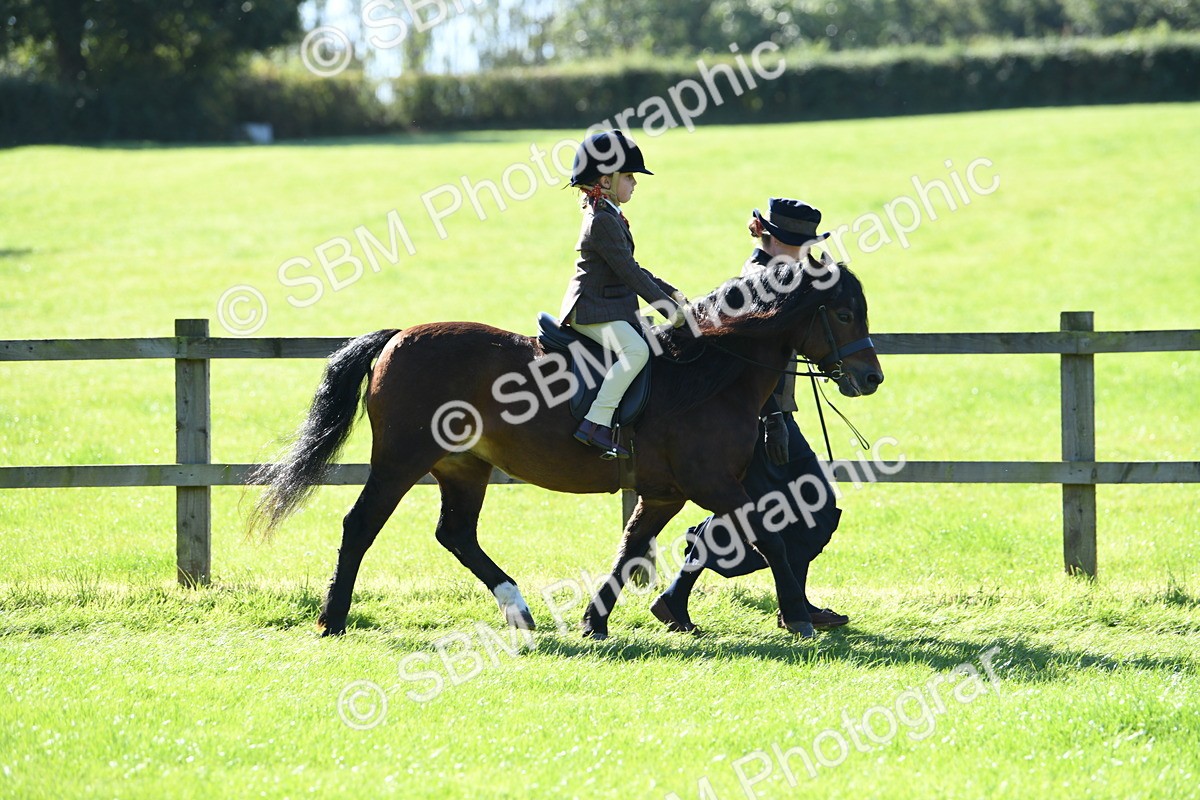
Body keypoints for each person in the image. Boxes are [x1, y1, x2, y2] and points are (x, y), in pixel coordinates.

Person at [650, 198, 850, 632]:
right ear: (770, 238)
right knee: (758, 512)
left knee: (812, 504)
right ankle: (789, 607)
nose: (805, 253)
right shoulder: (755, 284)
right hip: (751, 422)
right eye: (797, 244)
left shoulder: (792, 281)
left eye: (809, 245)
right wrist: (772, 421)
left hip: (777, 417)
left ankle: (683, 597)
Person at [560, 130, 687, 458]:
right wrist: (668, 310)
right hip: (591, 308)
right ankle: (596, 423)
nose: (635, 183)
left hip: (608, 305)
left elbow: (632, 267)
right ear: (606, 180)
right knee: (636, 350)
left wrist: (673, 295)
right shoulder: (602, 220)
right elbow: (630, 274)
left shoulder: (609, 214)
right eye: (629, 176)